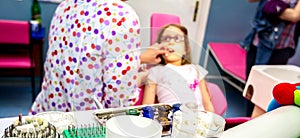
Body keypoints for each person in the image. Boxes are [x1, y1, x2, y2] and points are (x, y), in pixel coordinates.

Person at [29, 0, 166, 115]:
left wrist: (137, 59)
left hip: (49, 114)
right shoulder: (120, 14)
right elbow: (119, 96)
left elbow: (79, 62)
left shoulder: (64, 7)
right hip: (86, 126)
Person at [241, 0, 300, 118]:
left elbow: (295, 15)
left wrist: (272, 8)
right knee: (251, 88)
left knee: (268, 93)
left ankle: (260, 126)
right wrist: (279, 9)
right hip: (257, 43)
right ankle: (247, 121)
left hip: (280, 49)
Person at [142, 24, 215, 113]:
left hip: (200, 120)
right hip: (172, 122)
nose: (171, 42)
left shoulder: (196, 70)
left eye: (177, 39)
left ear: (185, 49)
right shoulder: (155, 71)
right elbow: (146, 106)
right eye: (166, 39)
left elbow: (207, 105)